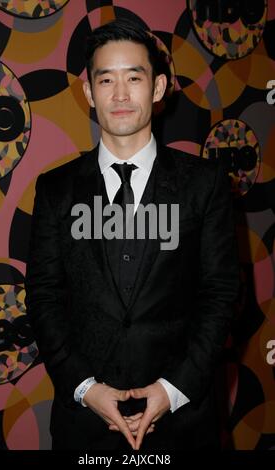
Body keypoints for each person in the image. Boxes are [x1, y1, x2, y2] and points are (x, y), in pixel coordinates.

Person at [24, 18, 240, 451]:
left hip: (183, 423)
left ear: (158, 88)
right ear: (89, 93)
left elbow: (222, 294)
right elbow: (44, 296)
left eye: (134, 78)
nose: (120, 95)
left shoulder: (205, 183)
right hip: (85, 427)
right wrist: (85, 387)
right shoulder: (55, 188)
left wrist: (173, 389)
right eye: (106, 80)